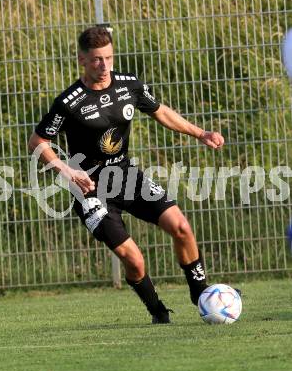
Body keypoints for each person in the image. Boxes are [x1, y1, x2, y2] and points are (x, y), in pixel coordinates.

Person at [28, 26, 225, 324]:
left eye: (108, 57)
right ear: (82, 59)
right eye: (96, 60)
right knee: (134, 260)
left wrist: (201, 133)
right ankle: (158, 312)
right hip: (90, 189)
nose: (104, 66)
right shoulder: (69, 102)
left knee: (181, 226)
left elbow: (160, 111)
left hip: (126, 176)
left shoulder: (128, 85)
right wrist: (67, 171)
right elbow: (38, 141)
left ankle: (201, 294)